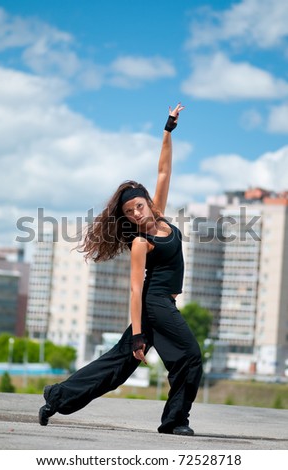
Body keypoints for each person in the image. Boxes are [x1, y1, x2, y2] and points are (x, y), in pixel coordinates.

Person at [39, 103, 203, 436]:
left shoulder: (160, 218)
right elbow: (134, 288)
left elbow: (163, 171)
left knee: (117, 365)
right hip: (155, 304)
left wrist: (168, 130)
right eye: (129, 212)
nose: (137, 213)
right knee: (191, 355)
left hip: (161, 305)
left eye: (139, 206)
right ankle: (175, 421)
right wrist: (140, 333)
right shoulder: (142, 242)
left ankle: (57, 397)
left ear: (148, 202)